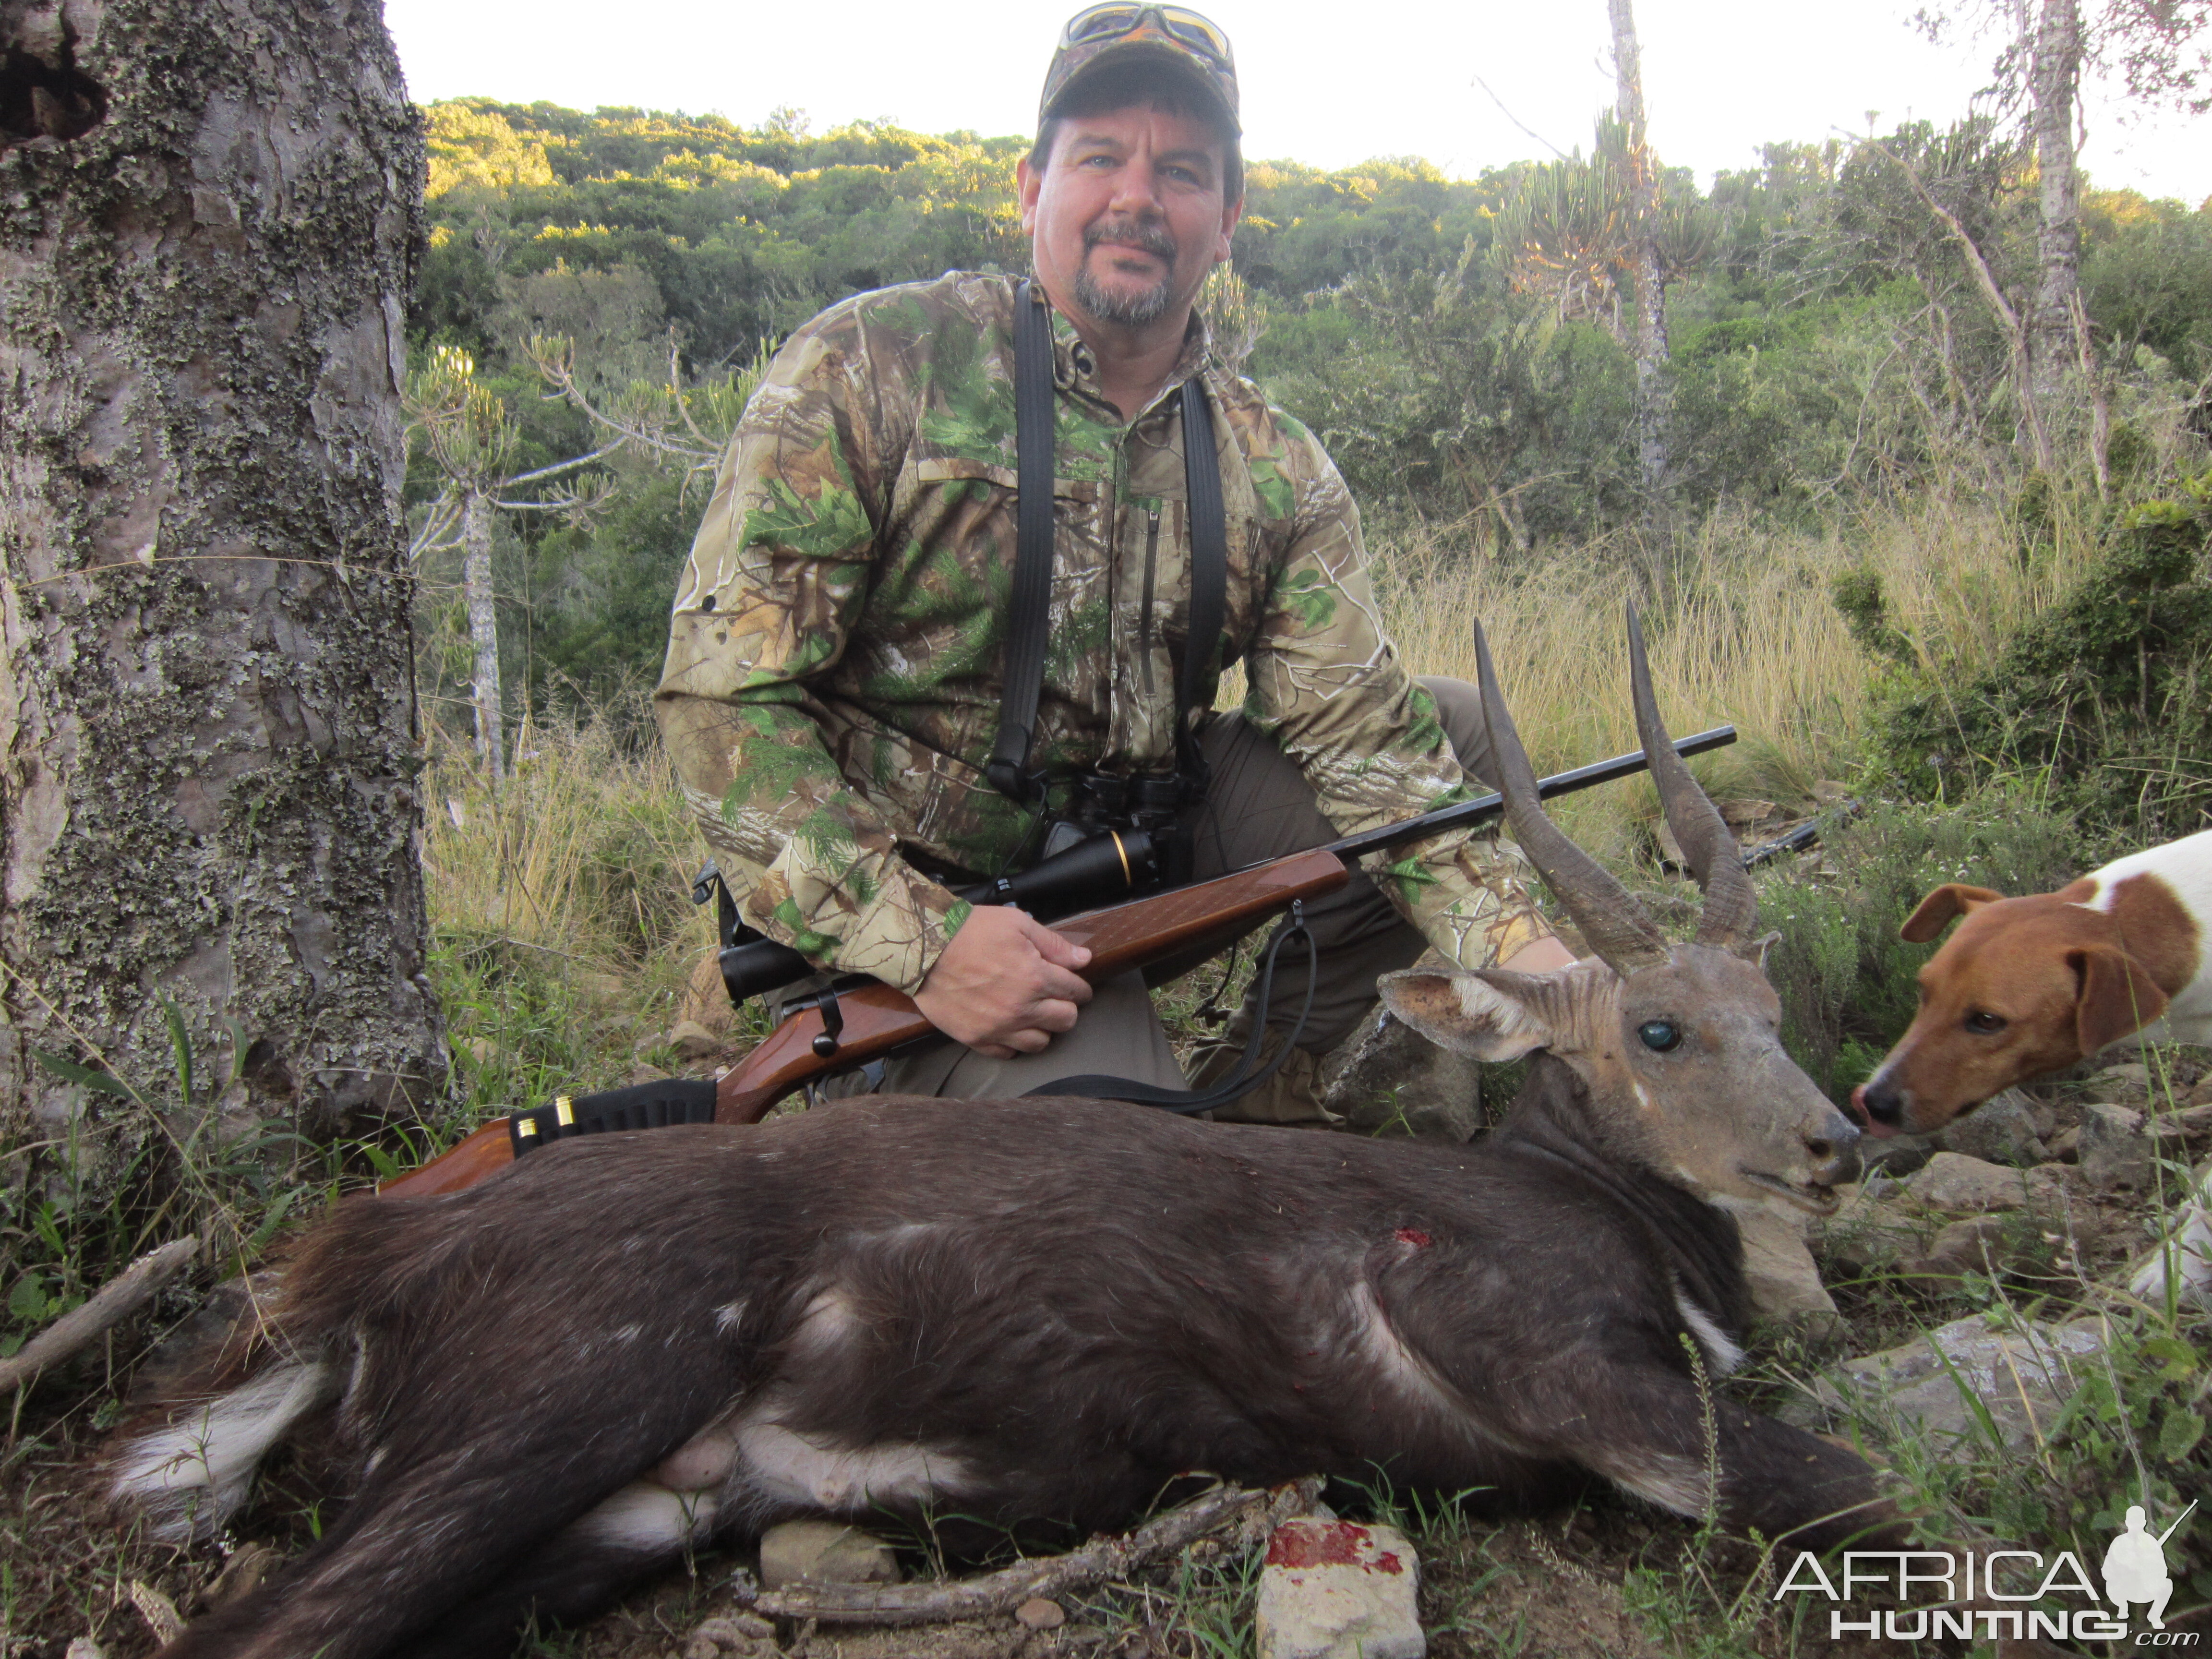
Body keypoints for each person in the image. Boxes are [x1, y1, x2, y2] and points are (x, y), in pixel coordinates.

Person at [654, 4, 1574, 1120]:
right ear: (1032, 187)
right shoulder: (871, 366)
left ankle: (1264, 1093)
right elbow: (723, 701)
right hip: (901, 904)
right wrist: (927, 943)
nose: (1139, 196)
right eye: (1100, 157)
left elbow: (1370, 748)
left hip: (1137, 862)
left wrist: (1541, 967)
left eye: (1183, 170)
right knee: (1113, 1159)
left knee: (1460, 736)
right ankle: (911, 1083)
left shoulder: (1272, 463)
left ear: (1226, 218)